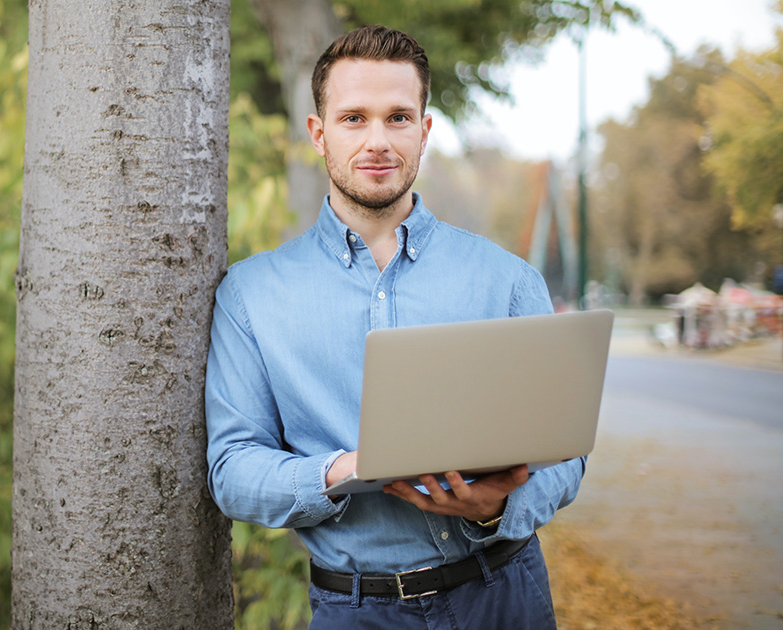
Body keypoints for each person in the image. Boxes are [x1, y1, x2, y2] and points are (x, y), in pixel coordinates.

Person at [205, 25, 583, 629]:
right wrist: (341, 471)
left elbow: (565, 453)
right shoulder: (251, 295)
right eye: (354, 118)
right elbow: (233, 470)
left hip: (503, 594)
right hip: (356, 611)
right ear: (318, 133)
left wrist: (495, 509)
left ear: (424, 131)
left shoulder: (508, 279)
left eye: (398, 118)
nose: (377, 141)